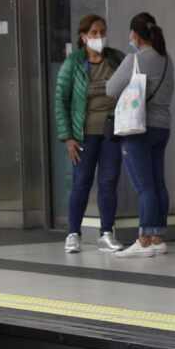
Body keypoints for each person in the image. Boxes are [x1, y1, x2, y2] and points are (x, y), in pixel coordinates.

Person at [55, 14, 126, 254]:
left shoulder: (116, 59)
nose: (99, 37)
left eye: (102, 32)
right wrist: (68, 138)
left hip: (112, 132)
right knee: (81, 182)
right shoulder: (73, 63)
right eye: (94, 33)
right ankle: (73, 234)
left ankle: (106, 233)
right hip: (83, 134)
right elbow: (61, 100)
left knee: (108, 182)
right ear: (83, 37)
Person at [106, 12, 174, 259]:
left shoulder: (134, 60)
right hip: (162, 127)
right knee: (158, 183)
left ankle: (144, 239)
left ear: (135, 34)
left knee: (144, 186)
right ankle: (158, 237)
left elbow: (111, 88)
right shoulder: (167, 60)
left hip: (137, 128)